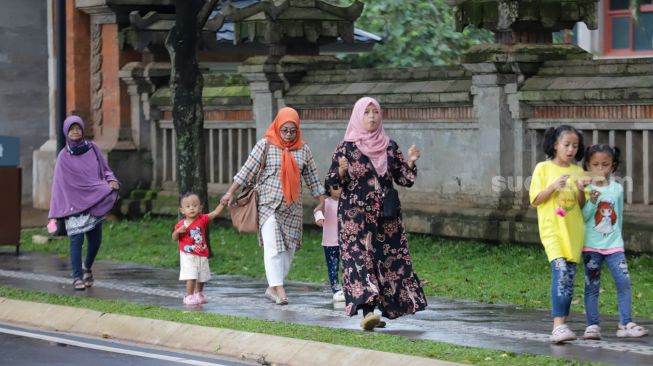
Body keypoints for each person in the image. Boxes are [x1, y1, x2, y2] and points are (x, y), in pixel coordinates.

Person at [325, 96, 427, 331]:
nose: (372, 117)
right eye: (367, 112)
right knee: (360, 260)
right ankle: (368, 312)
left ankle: (381, 309)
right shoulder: (346, 147)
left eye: (376, 112)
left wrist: (410, 162)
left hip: (386, 218)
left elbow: (404, 179)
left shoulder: (390, 146)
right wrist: (341, 173)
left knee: (387, 260)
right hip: (355, 218)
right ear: (358, 116)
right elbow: (331, 182)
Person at [220, 107, 325, 305]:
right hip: (268, 205)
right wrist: (230, 192)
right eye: (284, 130)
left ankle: (272, 287)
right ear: (278, 126)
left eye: (292, 131)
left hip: (292, 209)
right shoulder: (265, 145)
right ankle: (281, 290)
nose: (288, 135)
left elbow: (312, 179)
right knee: (273, 248)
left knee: (288, 251)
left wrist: (321, 201)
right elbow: (246, 170)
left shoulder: (303, 149)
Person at [580, 144, 648, 339]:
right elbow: (584, 217)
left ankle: (625, 323)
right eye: (595, 165)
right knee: (592, 285)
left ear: (613, 166)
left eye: (605, 164)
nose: (600, 169)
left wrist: (618, 240)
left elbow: (618, 216)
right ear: (588, 165)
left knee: (623, 281)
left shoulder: (617, 188)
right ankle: (592, 325)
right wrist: (592, 201)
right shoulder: (586, 188)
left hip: (614, 246)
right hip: (591, 246)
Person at [48, 115, 120, 291]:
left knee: (95, 240)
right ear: (66, 131)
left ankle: (87, 267)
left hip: (94, 201)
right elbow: (58, 185)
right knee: (76, 241)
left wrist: (111, 181)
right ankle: (77, 277)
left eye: (78, 128)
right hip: (74, 205)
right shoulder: (63, 157)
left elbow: (105, 170)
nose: (75, 131)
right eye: (72, 129)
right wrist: (56, 212)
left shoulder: (93, 148)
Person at [529, 125, 586, 343]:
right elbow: (535, 199)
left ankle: (562, 325)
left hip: (573, 233)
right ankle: (558, 325)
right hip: (553, 232)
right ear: (555, 145)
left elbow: (581, 204)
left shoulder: (579, 172)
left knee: (568, 280)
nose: (571, 149)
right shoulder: (543, 168)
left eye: (575, 146)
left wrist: (581, 188)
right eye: (567, 145)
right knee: (561, 273)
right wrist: (554, 185)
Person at [172, 193, 225, 306]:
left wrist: (222, 204)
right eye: (188, 206)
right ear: (182, 210)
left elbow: (215, 213)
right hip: (188, 254)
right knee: (191, 275)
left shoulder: (202, 219)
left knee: (202, 276)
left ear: (200, 208)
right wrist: (177, 232)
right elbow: (174, 238)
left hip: (201, 253)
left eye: (195, 205)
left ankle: (199, 294)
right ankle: (189, 296)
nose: (192, 208)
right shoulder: (181, 224)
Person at [313, 185, 345, 302]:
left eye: (341, 186)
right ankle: (336, 291)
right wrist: (319, 218)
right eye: (335, 187)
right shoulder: (326, 202)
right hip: (330, 242)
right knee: (333, 267)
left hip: (346, 241)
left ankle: (347, 289)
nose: (339, 189)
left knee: (347, 266)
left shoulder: (347, 201)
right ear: (329, 189)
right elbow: (317, 211)